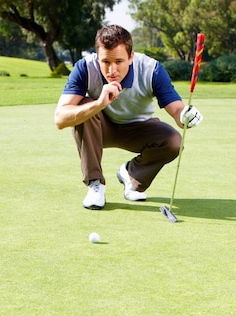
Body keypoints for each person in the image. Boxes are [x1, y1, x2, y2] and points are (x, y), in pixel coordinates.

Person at [54, 24, 203, 210]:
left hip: (138, 129)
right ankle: (95, 185)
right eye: (106, 62)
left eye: (118, 61)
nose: (112, 70)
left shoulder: (152, 69)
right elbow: (60, 119)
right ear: (97, 56)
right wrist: (99, 104)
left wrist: (186, 116)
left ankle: (132, 176)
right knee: (84, 107)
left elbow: (177, 111)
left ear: (131, 57)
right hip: (100, 128)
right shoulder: (85, 68)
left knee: (173, 142)